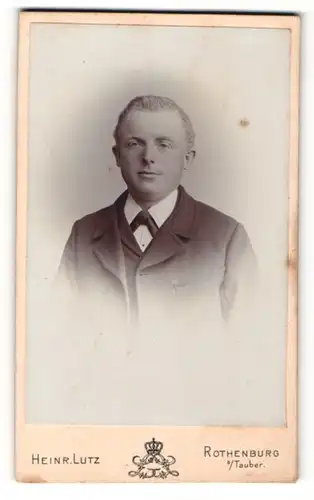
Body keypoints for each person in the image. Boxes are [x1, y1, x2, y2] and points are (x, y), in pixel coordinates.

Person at [49, 95, 258, 425]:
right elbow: (57, 337)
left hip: (196, 416)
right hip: (103, 414)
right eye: (135, 143)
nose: (149, 157)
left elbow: (252, 346)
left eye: (164, 144)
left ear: (187, 158)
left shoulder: (226, 236)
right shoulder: (84, 234)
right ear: (117, 155)